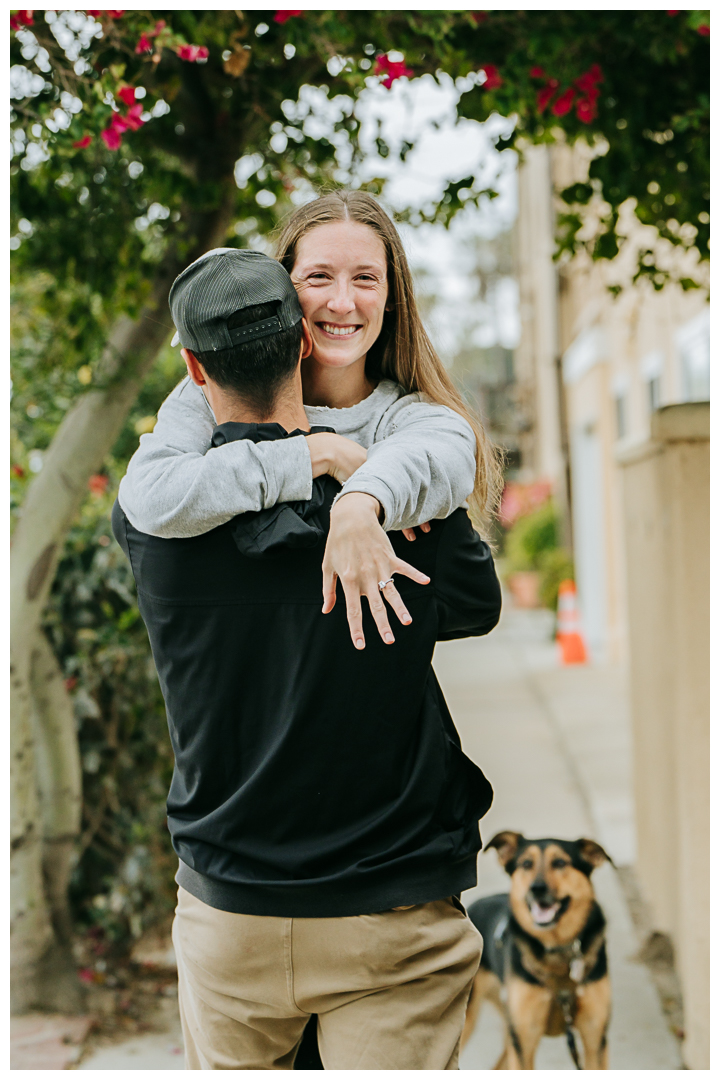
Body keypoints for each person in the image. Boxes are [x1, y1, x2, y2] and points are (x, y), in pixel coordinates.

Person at [112, 247, 502, 1069]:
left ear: (190, 367)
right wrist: (349, 473)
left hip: (231, 915)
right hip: (389, 915)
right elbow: (474, 605)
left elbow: (162, 478)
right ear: (302, 344)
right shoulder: (396, 500)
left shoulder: (154, 522)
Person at [118, 190, 503, 650]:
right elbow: (148, 494)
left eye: (365, 278)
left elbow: (448, 453)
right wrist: (315, 453)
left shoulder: (409, 421)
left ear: (391, 296)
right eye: (319, 276)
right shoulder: (211, 393)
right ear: (285, 289)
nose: (342, 303)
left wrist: (361, 503)